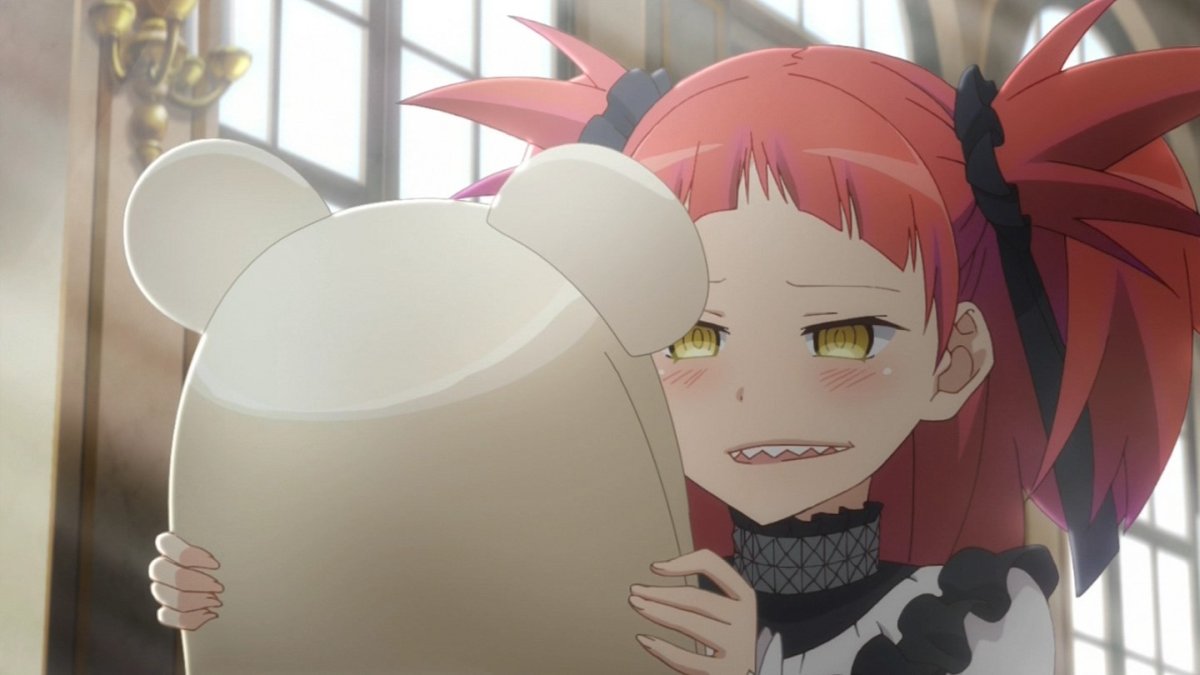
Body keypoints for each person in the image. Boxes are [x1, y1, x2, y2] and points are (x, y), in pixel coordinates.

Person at [151, 1, 1200, 671]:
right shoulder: (618, 564)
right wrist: (245, 588)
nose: (754, 395)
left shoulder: (977, 618)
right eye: (694, 342)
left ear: (955, 357)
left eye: (841, 337)